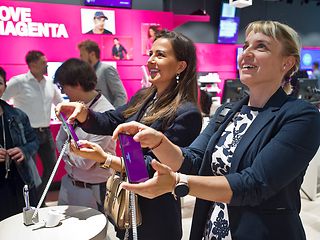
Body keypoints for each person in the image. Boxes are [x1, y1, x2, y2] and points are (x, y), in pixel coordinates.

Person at [113, 21, 320, 240]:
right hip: (210, 229)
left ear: (288, 63)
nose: (247, 53)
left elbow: (254, 184)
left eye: (261, 47)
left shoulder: (300, 116)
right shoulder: (228, 111)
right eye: (246, 45)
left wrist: (177, 183)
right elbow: (192, 160)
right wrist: (158, 142)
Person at [56, 30, 203, 240]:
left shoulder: (186, 112)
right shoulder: (145, 96)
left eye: (160, 55)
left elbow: (157, 167)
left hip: (156, 206)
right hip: (127, 197)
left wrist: (106, 159)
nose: (151, 60)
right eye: (151, 54)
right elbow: (112, 120)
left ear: (181, 65)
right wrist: (83, 113)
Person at [54, 58, 116, 212]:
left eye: (63, 87)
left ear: (78, 84)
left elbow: (85, 162)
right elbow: (58, 140)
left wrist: (66, 150)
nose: (62, 92)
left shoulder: (105, 113)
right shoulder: (74, 107)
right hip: (70, 183)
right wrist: (71, 151)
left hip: (96, 190)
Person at [2, 50, 63, 202]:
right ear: (32, 64)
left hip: (46, 131)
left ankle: (39, 199)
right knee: (28, 171)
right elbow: (2, 99)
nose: (46, 64)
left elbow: (60, 103)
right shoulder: (18, 81)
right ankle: (32, 201)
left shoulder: (49, 82)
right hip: (25, 133)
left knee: (52, 168)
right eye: (43, 62)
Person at [0, 66, 41, 221]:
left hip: (20, 180)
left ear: (4, 87)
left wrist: (23, 150)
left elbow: (34, 141)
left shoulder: (17, 116)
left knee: (25, 224)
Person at [78, 39, 127, 108]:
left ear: (92, 54)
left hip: (107, 115)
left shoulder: (106, 69)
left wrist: (114, 115)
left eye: (82, 55)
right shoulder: (86, 73)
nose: (80, 58)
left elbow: (121, 95)